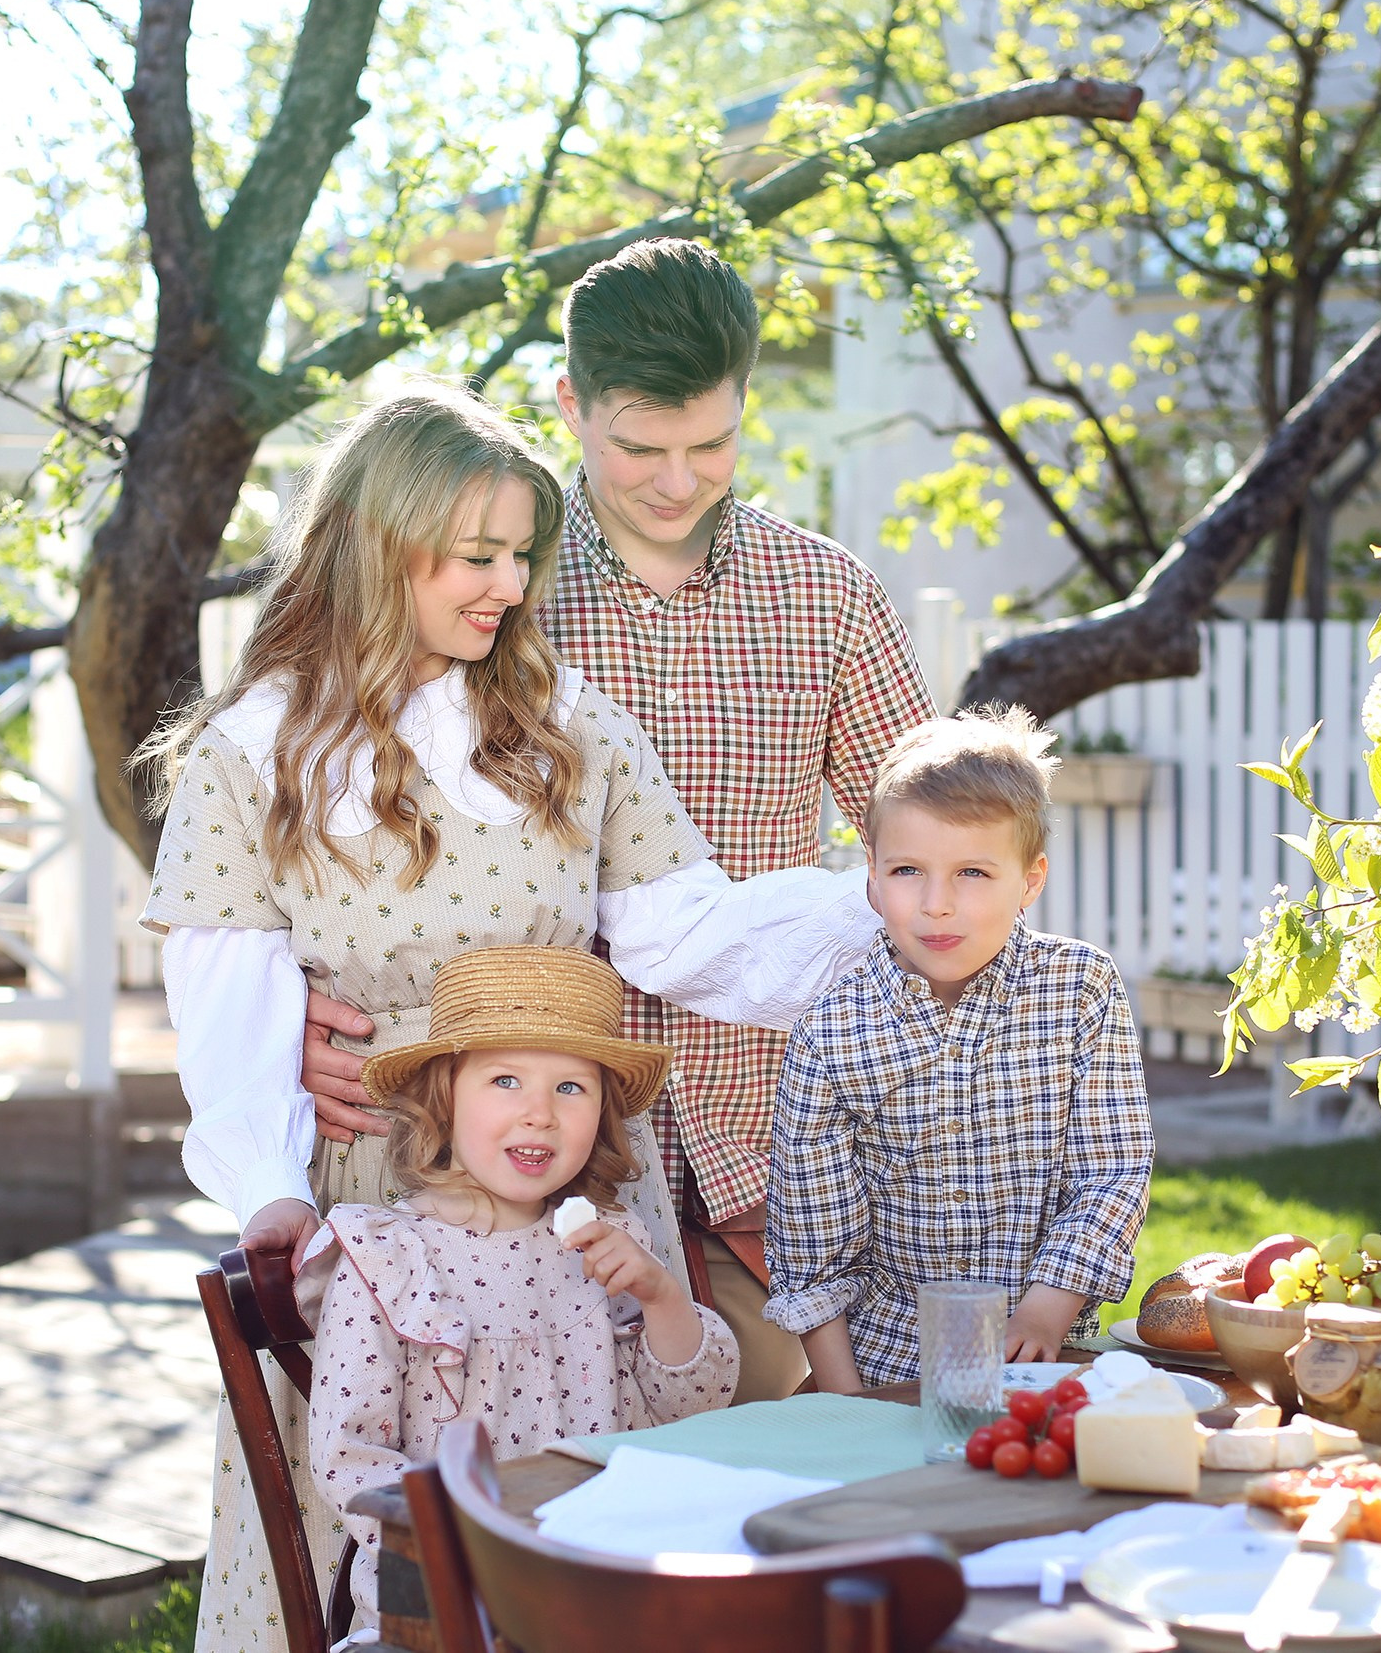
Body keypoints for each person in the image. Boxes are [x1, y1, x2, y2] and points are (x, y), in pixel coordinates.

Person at [139, 383, 873, 1652]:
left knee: (606, 1514)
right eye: (475, 555)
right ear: (379, 548)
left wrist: (892, 916)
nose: (508, 583)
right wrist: (273, 1197)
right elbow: (230, 1002)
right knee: (378, 1535)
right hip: (380, 1188)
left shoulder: (561, 723)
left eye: (521, 553)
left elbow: (683, 927)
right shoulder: (253, 751)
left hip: (571, 1184)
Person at [296, 237, 937, 1403]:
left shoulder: (826, 594)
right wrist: (296, 1012)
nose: (677, 479)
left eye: (712, 442)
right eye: (638, 445)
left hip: (769, 1145)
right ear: (569, 403)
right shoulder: (490, 582)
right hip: (519, 1158)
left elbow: (935, 849)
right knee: (553, 1493)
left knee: (774, 1489)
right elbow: (324, 813)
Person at [304, 945, 738, 1626]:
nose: (540, 1112)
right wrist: (482, 1546)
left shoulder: (606, 1244)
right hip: (449, 1595)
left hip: (600, 1576)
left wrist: (662, 1298)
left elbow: (693, 1406)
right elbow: (348, 1456)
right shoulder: (389, 1259)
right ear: (444, 1098)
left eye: (571, 1087)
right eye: (506, 1080)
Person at [762, 708, 1155, 1391]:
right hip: (882, 1368)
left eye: (972, 872)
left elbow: (1112, 1171)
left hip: (1039, 1361)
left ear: (1030, 880)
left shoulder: (1081, 990)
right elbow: (812, 1246)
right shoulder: (829, 1032)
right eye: (909, 870)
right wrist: (850, 1403)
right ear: (873, 879)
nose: (936, 904)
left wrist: (1043, 1313)